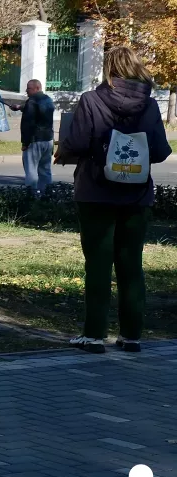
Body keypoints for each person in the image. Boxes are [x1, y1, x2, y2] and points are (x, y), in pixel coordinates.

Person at [56, 46, 171, 354]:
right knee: (131, 264)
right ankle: (131, 336)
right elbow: (160, 151)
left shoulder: (92, 100)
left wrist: (64, 150)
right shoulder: (149, 106)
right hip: (136, 196)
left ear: (109, 69)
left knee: (98, 263)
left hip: (96, 193)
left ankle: (94, 336)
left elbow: (78, 142)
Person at [20, 79, 56, 195]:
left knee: (31, 171)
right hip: (48, 140)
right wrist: (20, 107)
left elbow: (27, 124)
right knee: (45, 171)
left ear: (37, 88)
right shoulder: (47, 99)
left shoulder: (31, 101)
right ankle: (47, 196)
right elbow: (41, 112)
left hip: (34, 141)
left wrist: (25, 143)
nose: (26, 91)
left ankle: (31, 197)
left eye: (29, 88)